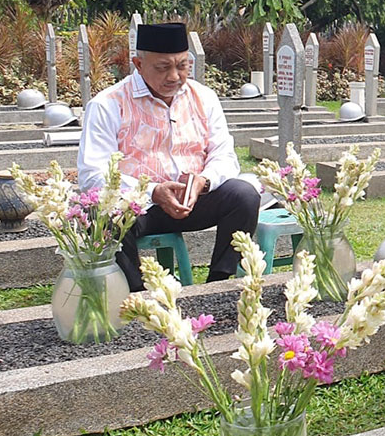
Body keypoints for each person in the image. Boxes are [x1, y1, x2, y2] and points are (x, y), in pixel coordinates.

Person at [78, 22, 260, 291]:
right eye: (162, 68)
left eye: (182, 65)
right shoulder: (107, 105)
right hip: (140, 207)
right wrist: (152, 192)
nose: (174, 76)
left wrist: (204, 181)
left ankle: (216, 285)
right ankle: (138, 296)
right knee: (103, 215)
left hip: (195, 200)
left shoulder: (204, 97)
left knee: (243, 195)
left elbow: (225, 156)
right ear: (138, 64)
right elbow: (92, 176)